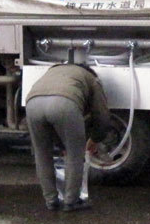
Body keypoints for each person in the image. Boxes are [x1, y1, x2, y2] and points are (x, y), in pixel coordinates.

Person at [25, 62, 116, 212]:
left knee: (42, 154)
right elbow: (102, 116)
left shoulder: (55, 70)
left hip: (33, 104)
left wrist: (61, 144)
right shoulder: (92, 79)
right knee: (75, 155)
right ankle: (71, 201)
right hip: (65, 103)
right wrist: (95, 138)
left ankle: (50, 200)